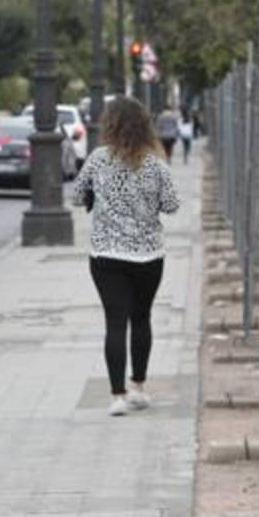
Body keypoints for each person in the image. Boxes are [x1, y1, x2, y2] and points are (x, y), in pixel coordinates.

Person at [73, 97, 180, 416]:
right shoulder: (156, 163)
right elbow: (172, 206)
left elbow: (78, 196)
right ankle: (139, 387)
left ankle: (117, 396)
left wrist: (101, 197)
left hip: (106, 255)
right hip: (148, 255)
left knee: (115, 322)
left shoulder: (97, 160)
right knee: (141, 317)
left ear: (110, 125)